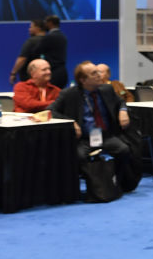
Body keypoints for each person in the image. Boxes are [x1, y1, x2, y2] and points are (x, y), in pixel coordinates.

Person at [49, 61, 138, 192]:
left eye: (98, 72)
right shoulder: (69, 94)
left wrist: (123, 110)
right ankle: (91, 186)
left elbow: (120, 101)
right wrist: (71, 122)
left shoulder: (106, 89)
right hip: (84, 139)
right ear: (83, 80)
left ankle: (116, 182)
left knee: (123, 150)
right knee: (78, 156)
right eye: (94, 73)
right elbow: (51, 111)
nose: (99, 75)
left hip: (105, 135)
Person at [8, 18, 46, 85]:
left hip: (30, 77)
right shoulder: (51, 40)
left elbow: (22, 59)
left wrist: (13, 73)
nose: (29, 29)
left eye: (31, 27)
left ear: (38, 28)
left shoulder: (31, 41)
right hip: (45, 77)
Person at [37, 15, 68, 88]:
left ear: (50, 23)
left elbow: (37, 51)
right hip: (63, 73)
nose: (44, 25)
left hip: (53, 73)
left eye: (45, 22)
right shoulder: (63, 37)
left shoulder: (49, 37)